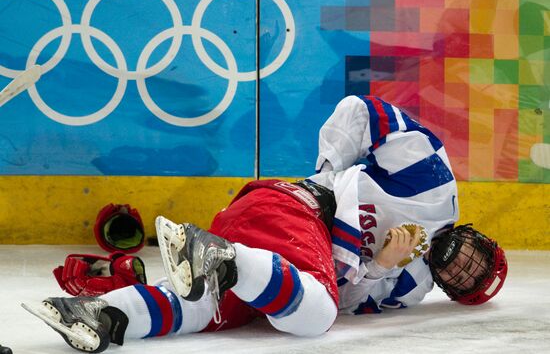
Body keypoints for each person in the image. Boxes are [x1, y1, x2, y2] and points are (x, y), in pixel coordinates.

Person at [24, 95, 507, 353]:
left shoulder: (411, 285)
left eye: (465, 279)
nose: (463, 266)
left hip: (275, 237)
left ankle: (104, 315)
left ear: (449, 288)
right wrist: (326, 174)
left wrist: (380, 266)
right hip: (294, 209)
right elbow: (363, 113)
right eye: (476, 260)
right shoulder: (435, 187)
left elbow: (352, 302)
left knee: (206, 309)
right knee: (313, 316)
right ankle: (222, 257)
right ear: (478, 238)